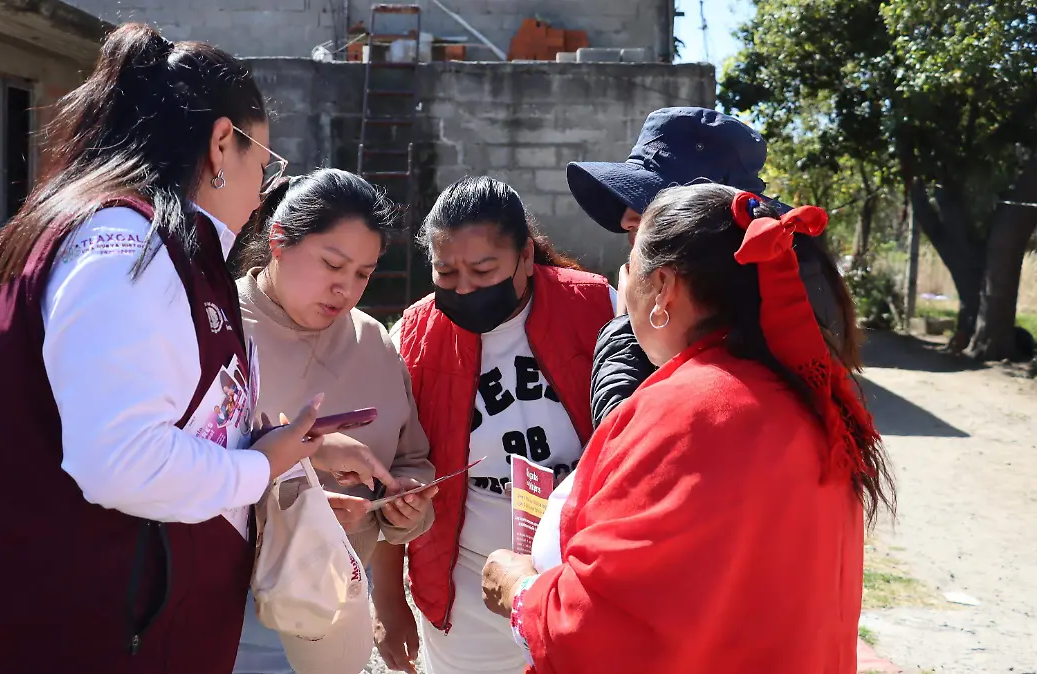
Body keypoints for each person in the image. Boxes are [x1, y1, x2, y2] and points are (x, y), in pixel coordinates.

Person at [0, 24, 384, 674]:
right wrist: (257, 468)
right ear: (222, 143)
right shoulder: (128, 246)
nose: (261, 191)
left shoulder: (140, 238)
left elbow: (162, 414)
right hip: (70, 637)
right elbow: (121, 460)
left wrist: (288, 449)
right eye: (265, 163)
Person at [481, 184, 895, 673]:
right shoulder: (804, 399)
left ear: (662, 287)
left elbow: (599, 627)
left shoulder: (690, 410)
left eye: (630, 266)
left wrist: (520, 590)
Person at [373, 177, 617, 674]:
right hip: (467, 581)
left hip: (582, 570)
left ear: (525, 256)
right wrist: (389, 600)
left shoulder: (598, 307)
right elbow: (390, 472)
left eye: (483, 270)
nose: (464, 288)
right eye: (446, 272)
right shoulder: (415, 336)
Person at [231, 169, 438, 674]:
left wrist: (405, 504)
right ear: (278, 240)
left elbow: (411, 458)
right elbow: (175, 467)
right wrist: (298, 510)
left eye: (363, 274)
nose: (345, 289)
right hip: (231, 607)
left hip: (340, 600)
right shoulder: (219, 326)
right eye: (331, 264)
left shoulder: (372, 341)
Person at [566, 106, 854, 427]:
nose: (625, 222)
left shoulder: (755, 327)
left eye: (648, 215)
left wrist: (628, 325)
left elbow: (626, 441)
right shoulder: (769, 283)